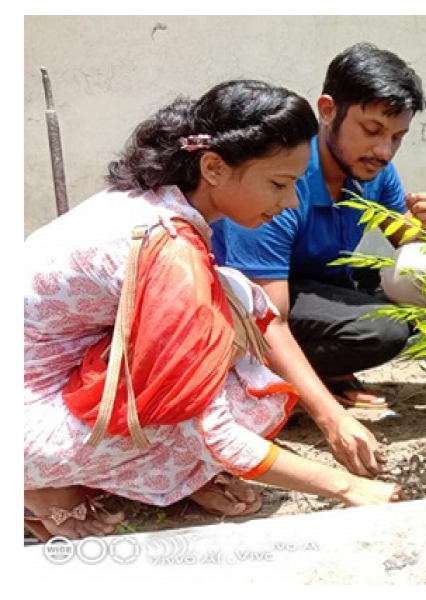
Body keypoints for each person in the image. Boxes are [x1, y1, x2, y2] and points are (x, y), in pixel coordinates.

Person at [24, 80, 403, 542]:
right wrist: (349, 487)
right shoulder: (170, 252)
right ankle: (39, 485)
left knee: (236, 305)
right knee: (238, 396)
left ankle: (180, 476)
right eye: (280, 184)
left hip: (45, 371)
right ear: (213, 167)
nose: (290, 203)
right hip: (21, 417)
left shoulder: (160, 201)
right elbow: (212, 429)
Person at [212, 42, 426, 410]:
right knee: (383, 330)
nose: (385, 150)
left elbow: (405, 237)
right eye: (372, 129)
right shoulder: (283, 177)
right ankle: (261, 382)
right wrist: (329, 416)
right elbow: (265, 318)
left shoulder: (372, 170)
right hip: (253, 301)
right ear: (327, 110)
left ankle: (310, 374)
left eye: (397, 137)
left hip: (320, 287)